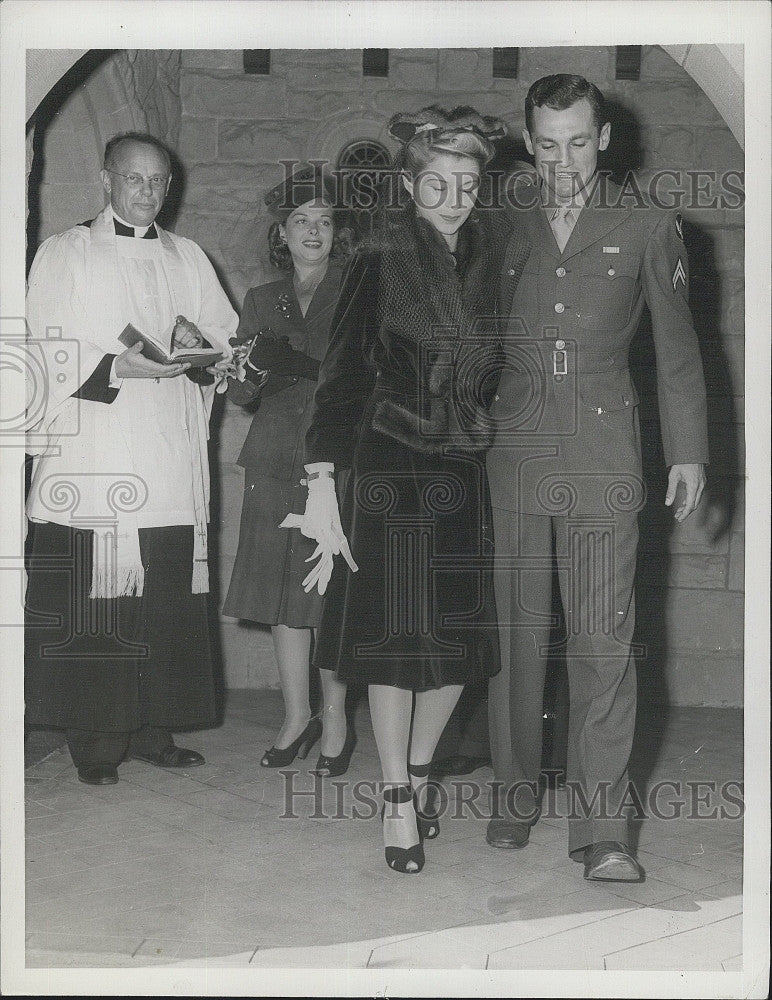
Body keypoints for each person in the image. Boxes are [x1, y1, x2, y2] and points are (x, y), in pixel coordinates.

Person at [288, 106, 530, 874]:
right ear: (408, 183)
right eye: (438, 182)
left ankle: (421, 768)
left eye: (467, 182)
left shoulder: (495, 256)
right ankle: (396, 796)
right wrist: (323, 478)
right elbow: (342, 379)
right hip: (390, 470)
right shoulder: (377, 257)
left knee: (457, 646)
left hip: (465, 470)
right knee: (394, 644)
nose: (455, 196)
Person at [486, 75, 708, 880]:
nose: (563, 160)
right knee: (514, 641)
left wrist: (688, 451)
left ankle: (603, 833)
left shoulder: (651, 225)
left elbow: (681, 352)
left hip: (606, 459)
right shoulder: (501, 219)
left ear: (604, 138)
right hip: (511, 453)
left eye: (578, 141)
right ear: (528, 142)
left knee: (603, 644)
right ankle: (512, 798)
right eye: (546, 144)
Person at [24, 131, 238, 786]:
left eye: (158, 181)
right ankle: (95, 739)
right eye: (135, 178)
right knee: (102, 603)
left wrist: (208, 358)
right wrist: (116, 365)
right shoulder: (67, 253)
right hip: (98, 453)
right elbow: (40, 350)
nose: (148, 192)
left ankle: (153, 725)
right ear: (106, 179)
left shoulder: (187, 255)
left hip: (168, 458)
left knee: (162, 599)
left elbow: (220, 338)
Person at [222, 165, 353, 774]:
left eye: (324, 221)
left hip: (332, 460)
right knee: (281, 596)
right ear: (282, 232)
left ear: (336, 232)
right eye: (302, 221)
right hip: (273, 458)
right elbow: (242, 395)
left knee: (327, 592)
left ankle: (337, 717)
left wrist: (299, 363)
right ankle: (296, 715)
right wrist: (242, 369)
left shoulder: (356, 290)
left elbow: (365, 376)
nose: (313, 231)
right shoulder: (259, 300)